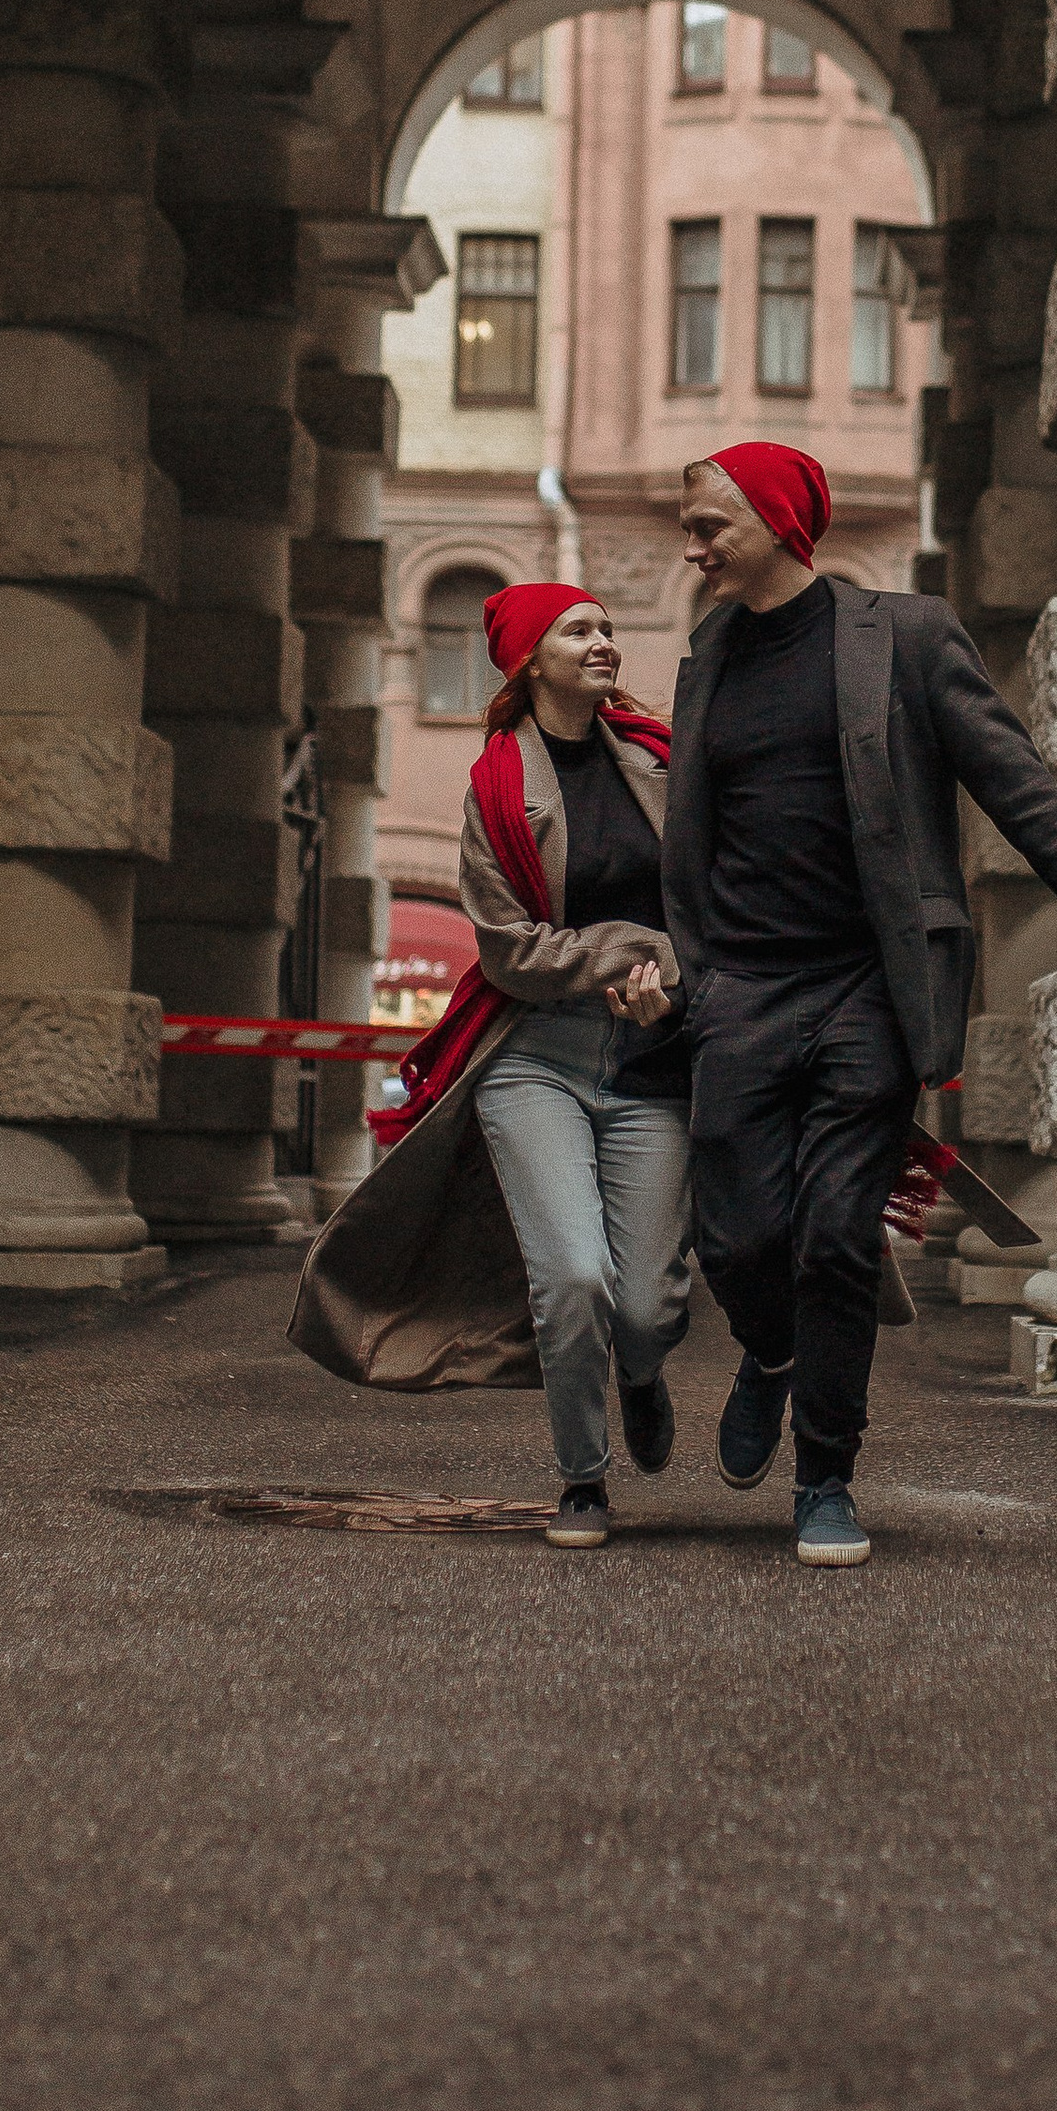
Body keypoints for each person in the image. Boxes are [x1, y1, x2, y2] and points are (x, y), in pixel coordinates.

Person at [666, 443, 1057, 1569]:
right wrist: (692, 976)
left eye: (709, 524)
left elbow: (1016, 784)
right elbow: (690, 834)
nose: (691, 545)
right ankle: (770, 1354)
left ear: (781, 521)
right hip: (739, 988)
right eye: (687, 525)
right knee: (737, 1235)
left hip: (866, 990)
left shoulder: (905, 636)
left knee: (837, 1236)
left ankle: (826, 1478)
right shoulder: (708, 655)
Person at [288, 583, 689, 1548]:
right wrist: (632, 947)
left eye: (605, 627)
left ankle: (640, 1370)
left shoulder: (666, 764)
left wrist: (670, 979)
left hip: (653, 1058)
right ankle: (582, 1478)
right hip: (535, 1061)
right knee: (569, 1275)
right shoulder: (497, 785)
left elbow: (715, 907)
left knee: (644, 1305)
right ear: (530, 660)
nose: (603, 643)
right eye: (578, 630)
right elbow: (511, 950)